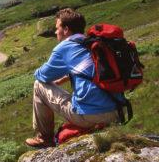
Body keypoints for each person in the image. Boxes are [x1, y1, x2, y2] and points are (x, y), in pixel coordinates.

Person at [26, 8, 121, 147]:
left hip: (91, 116)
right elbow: (91, 69)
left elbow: (43, 75)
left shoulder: (64, 47)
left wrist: (39, 73)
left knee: (38, 85)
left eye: (57, 27)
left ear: (66, 29)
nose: (55, 31)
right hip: (117, 112)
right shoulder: (91, 43)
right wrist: (67, 75)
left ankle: (44, 138)